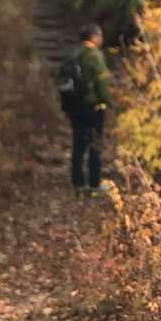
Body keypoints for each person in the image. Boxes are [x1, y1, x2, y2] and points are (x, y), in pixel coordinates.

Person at [57, 23, 114, 194]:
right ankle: (94, 183)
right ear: (94, 37)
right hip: (93, 107)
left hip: (74, 106)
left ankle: (78, 182)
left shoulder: (72, 54)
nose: (101, 39)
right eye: (100, 35)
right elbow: (102, 83)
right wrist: (109, 102)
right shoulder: (95, 56)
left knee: (78, 143)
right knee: (94, 144)